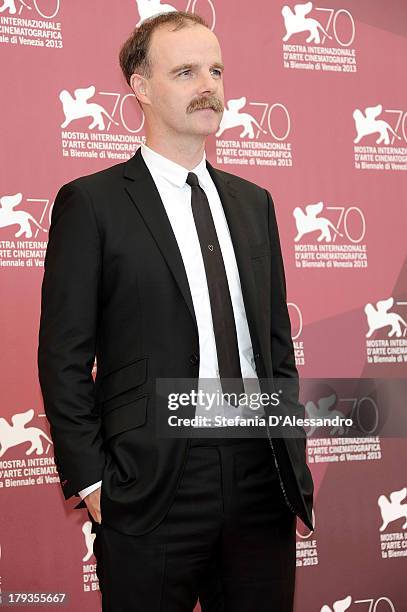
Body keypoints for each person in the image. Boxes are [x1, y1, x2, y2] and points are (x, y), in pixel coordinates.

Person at [38, 10, 314, 612]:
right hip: (151, 483)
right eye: (186, 72)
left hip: (260, 476)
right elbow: (63, 358)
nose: (208, 86)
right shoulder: (92, 203)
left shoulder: (254, 204)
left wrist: (289, 445)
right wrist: (93, 482)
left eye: (215, 71)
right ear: (140, 88)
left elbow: (275, 348)